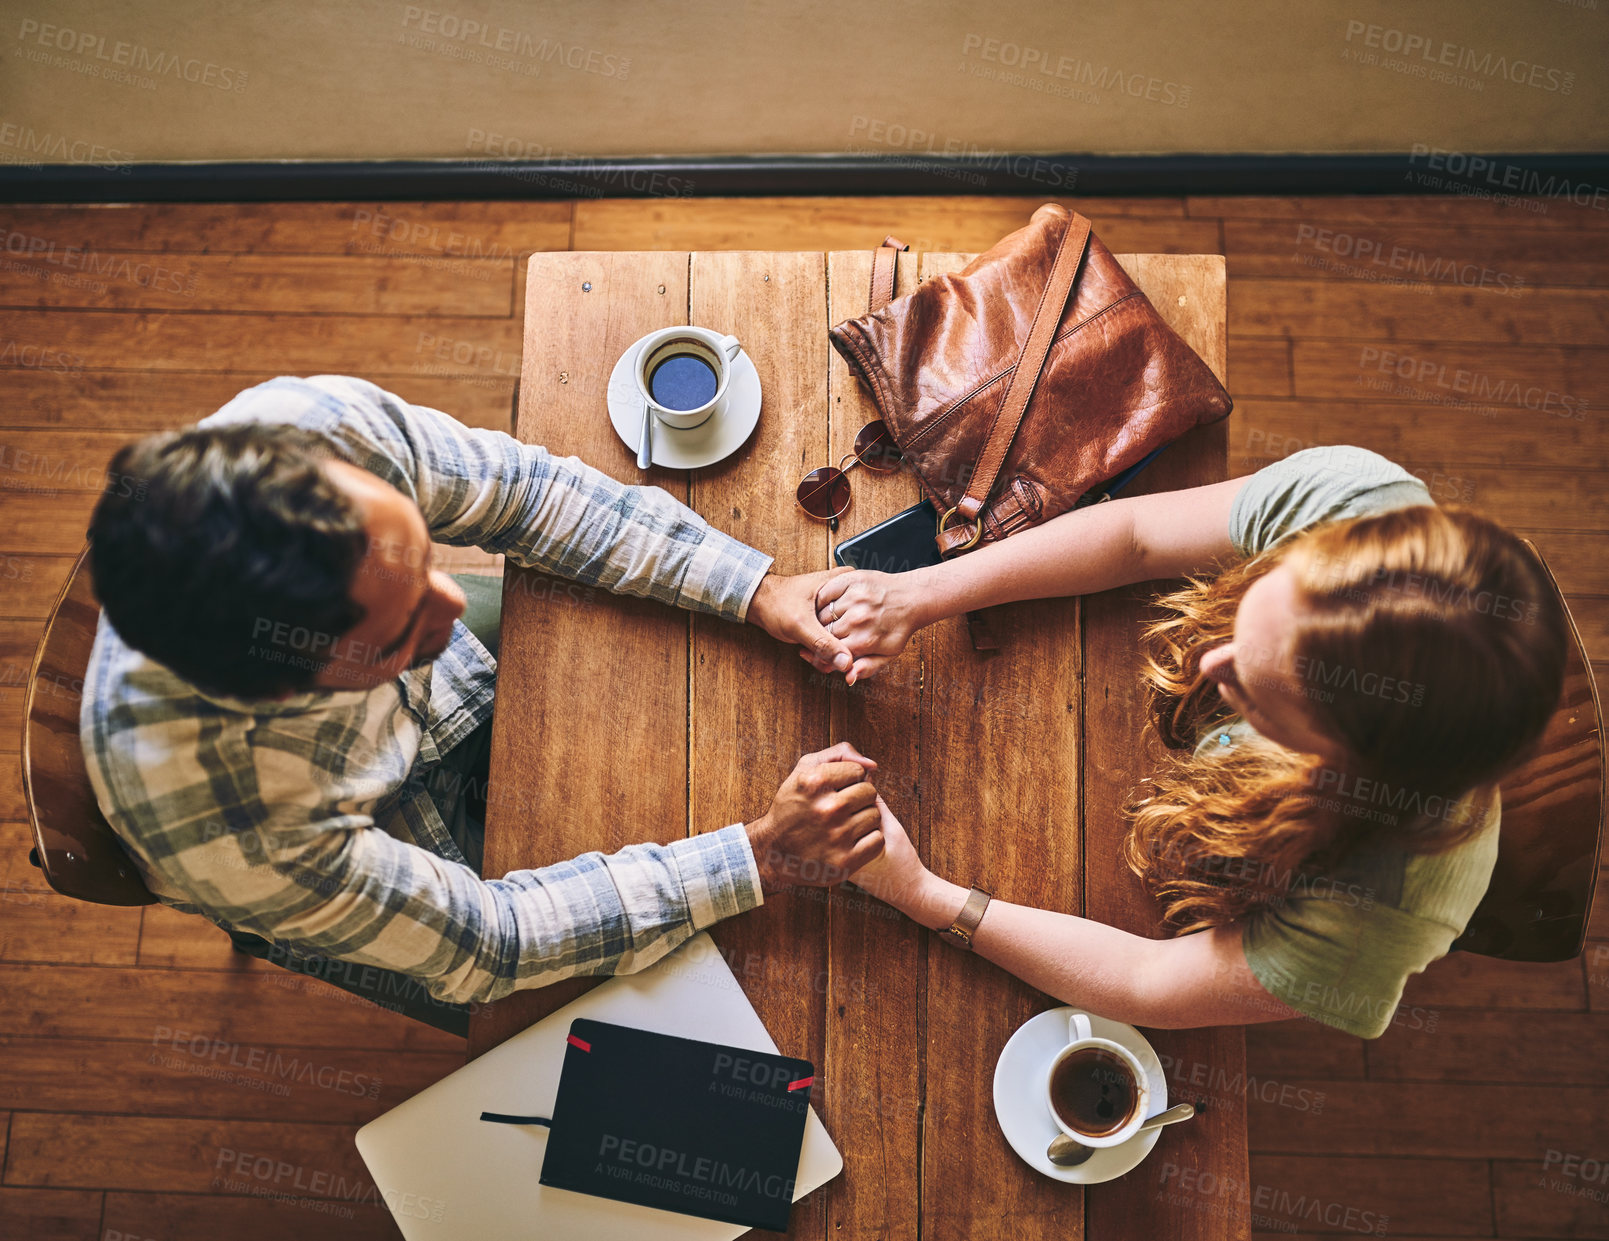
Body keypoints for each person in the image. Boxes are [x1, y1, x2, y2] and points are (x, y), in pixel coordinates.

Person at [82, 374, 885, 1023]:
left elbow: (525, 496)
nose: (456, 606)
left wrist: (750, 585)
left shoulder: (310, 428)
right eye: (401, 631)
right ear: (280, 686)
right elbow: (492, 945)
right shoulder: (241, 835)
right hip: (387, 837)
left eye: (426, 560)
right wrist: (760, 856)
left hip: (412, 725)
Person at [820, 446, 1568, 1038]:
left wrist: (922, 894)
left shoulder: (1373, 918)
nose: (1213, 665)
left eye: (1259, 696)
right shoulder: (1355, 500)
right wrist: (920, 592)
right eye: (1254, 611)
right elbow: (1136, 536)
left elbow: (1147, 982)